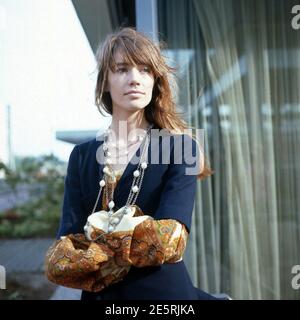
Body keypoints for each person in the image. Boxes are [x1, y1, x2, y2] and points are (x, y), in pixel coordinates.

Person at [55, 27, 215, 300]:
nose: (135, 79)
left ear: (155, 80)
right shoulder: (81, 156)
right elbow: (63, 256)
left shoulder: (180, 147)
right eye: (121, 69)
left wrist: (96, 243)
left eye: (145, 70)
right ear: (105, 81)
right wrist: (137, 238)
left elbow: (171, 241)